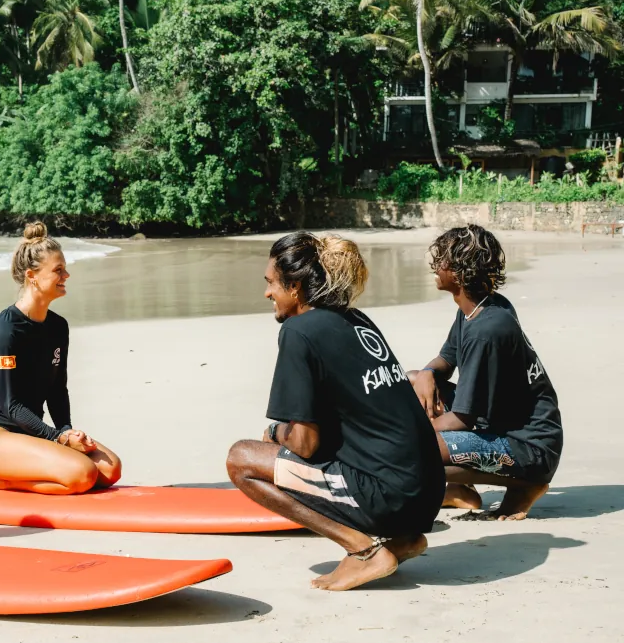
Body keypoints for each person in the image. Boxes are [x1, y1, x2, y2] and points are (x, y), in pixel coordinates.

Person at [226, 232, 445, 591]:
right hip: (426, 495)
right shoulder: (355, 319)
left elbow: (307, 444)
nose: (267, 293)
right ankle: (398, 540)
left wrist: (276, 433)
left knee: (242, 459)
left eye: (271, 284)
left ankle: (362, 550)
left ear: (295, 287)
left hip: (393, 497)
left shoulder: (299, 331)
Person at [409, 225, 562, 520]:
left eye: (442, 260)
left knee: (412, 446)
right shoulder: (477, 308)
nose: (436, 266)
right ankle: (459, 488)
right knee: (415, 380)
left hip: (531, 449)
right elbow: (446, 358)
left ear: (459, 271)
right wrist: (428, 372)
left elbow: (464, 417)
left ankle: (524, 484)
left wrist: (407, 431)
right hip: (499, 424)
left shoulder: (487, 329)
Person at [0, 222, 122, 494]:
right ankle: (1, 480)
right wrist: (59, 438)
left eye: (65, 268)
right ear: (33, 276)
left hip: (31, 432)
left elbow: (56, 389)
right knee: (82, 475)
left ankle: (32, 469)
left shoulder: (57, 326)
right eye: (58, 270)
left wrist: (67, 430)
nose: (67, 275)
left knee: (110, 469)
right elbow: (10, 406)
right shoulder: (5, 332)